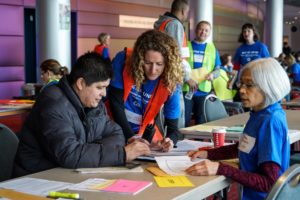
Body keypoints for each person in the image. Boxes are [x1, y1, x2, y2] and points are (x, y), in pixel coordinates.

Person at [13, 52, 150, 177]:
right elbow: (70, 154)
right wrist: (122, 154)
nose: (104, 94)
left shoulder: (94, 104)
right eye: (99, 87)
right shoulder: (53, 104)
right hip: (36, 178)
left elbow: (116, 134)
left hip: (70, 175)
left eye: (105, 88)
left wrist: (86, 152)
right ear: (81, 83)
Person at [185, 58, 291, 200]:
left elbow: (269, 183)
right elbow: (244, 147)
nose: (241, 90)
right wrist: (208, 154)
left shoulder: (270, 121)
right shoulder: (259, 113)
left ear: (268, 86)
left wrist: (220, 168)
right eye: (242, 84)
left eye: (249, 85)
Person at [108, 30, 183, 152]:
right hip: (113, 126)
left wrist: (170, 141)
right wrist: (130, 137)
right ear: (139, 59)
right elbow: (115, 103)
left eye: (159, 64)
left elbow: (173, 129)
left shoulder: (172, 81)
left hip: (143, 133)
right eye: (147, 63)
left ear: (168, 63)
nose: (153, 70)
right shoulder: (123, 60)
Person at [154, 0, 190, 128]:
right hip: (173, 77)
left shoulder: (163, 23)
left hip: (162, 75)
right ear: (183, 11)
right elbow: (176, 55)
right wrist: (187, 77)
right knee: (176, 118)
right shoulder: (175, 25)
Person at [183, 21, 222, 126]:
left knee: (201, 122)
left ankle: (199, 142)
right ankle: (183, 142)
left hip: (203, 92)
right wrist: (187, 79)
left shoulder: (213, 49)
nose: (203, 32)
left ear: (209, 33)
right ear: (196, 30)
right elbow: (178, 65)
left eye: (206, 30)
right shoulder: (186, 45)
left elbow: (218, 69)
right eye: (201, 29)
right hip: (187, 90)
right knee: (184, 121)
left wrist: (213, 75)